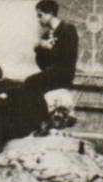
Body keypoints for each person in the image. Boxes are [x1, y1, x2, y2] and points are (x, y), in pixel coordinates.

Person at [22, 0, 79, 135]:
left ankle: (42, 122)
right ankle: (37, 123)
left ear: (51, 13)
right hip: (52, 72)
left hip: (64, 72)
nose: (39, 19)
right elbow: (43, 65)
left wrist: (49, 48)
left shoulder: (67, 30)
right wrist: (39, 50)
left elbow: (69, 56)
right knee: (30, 85)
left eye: (40, 15)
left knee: (30, 83)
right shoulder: (46, 35)